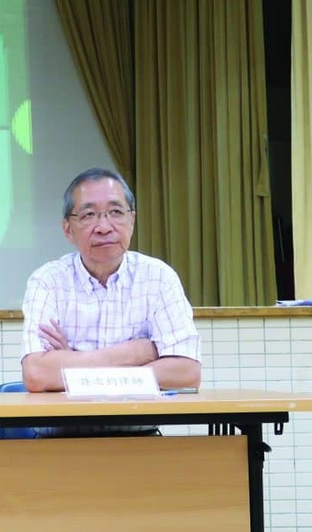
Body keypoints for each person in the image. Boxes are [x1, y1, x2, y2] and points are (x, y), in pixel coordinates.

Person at [20, 168, 201, 436]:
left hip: (141, 440)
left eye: (116, 212)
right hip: (60, 440)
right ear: (68, 229)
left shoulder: (158, 277)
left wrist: (74, 362)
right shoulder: (48, 281)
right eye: (89, 215)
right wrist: (136, 354)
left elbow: (186, 372)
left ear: (132, 220)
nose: (104, 227)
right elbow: (37, 373)